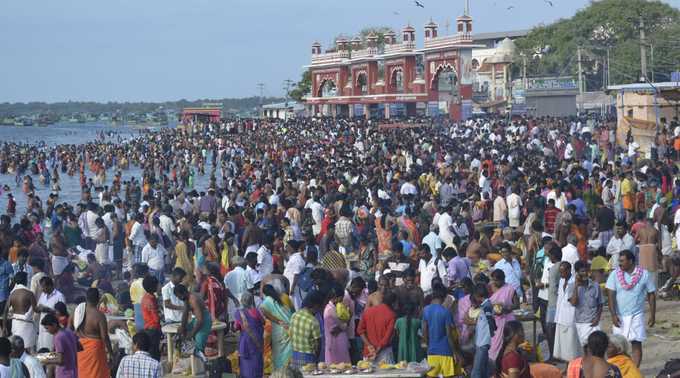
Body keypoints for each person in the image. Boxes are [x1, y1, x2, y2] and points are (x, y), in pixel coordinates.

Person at [606, 250, 656, 367]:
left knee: (636, 343)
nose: (620, 263)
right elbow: (610, 295)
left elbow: (651, 294)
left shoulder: (644, 274)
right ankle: (622, 369)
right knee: (618, 346)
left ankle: (634, 370)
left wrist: (652, 315)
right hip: (619, 316)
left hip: (636, 314)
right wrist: (613, 315)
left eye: (622, 261)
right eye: (619, 261)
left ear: (631, 261)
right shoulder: (614, 274)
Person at [422, 283, 461, 378]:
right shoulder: (446, 312)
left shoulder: (426, 310)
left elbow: (424, 331)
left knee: (431, 376)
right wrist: (455, 352)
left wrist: (428, 345)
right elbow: (449, 334)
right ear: (444, 298)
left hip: (432, 351)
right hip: (446, 351)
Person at [73, 288, 113, 378]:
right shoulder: (99, 315)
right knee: (97, 373)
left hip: (80, 348)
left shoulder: (78, 312)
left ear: (86, 298)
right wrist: (111, 352)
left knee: (83, 373)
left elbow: (72, 329)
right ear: (98, 299)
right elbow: (105, 337)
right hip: (95, 350)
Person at [175, 283, 213, 362]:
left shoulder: (193, 299)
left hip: (204, 321)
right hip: (197, 320)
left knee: (199, 348)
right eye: (178, 298)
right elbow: (185, 313)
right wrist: (182, 327)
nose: (180, 298)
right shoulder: (186, 298)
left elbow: (200, 320)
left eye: (180, 296)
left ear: (184, 292)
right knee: (180, 330)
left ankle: (202, 365)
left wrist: (192, 334)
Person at [570, 261, 604, 350]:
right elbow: (573, 303)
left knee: (597, 348)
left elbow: (600, 304)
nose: (584, 274)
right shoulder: (572, 286)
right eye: (582, 271)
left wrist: (597, 318)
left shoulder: (595, 285)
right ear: (577, 273)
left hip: (594, 323)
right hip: (581, 322)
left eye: (586, 271)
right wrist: (576, 286)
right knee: (584, 348)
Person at [259, 284, 293, 369]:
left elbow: (266, 315)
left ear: (265, 293)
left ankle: (279, 372)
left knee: (278, 354)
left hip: (279, 330)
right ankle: (288, 371)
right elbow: (293, 310)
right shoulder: (284, 296)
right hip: (290, 327)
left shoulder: (266, 302)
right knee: (288, 352)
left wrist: (278, 321)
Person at [554, 261, 582, 361]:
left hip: (571, 316)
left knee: (571, 346)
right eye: (560, 272)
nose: (561, 274)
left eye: (563, 272)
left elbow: (575, 300)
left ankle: (573, 367)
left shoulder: (575, 281)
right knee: (563, 346)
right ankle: (567, 366)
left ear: (569, 270)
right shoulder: (561, 281)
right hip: (560, 316)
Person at [357, 290, 396, 363]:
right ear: (393, 303)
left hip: (368, 352)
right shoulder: (391, 315)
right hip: (384, 353)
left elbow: (360, 331)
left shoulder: (368, 312)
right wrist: (376, 351)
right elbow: (386, 339)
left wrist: (369, 345)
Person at [488, 269, 519, 361]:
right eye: (493, 280)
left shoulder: (510, 289)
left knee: (507, 342)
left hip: (507, 320)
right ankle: (494, 361)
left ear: (503, 279)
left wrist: (506, 309)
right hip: (494, 321)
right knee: (494, 343)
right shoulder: (489, 288)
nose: (495, 282)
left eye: (497, 280)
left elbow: (516, 305)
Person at [289, 290, 323, 370]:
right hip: (309, 358)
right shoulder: (313, 321)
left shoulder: (294, 315)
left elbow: (290, 334)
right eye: (319, 307)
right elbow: (318, 344)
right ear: (315, 306)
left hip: (294, 356)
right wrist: (316, 358)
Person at [2, 272, 36, 351]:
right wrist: (44, 309)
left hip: (16, 324)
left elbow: (5, 311)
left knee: (16, 349)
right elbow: (36, 309)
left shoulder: (12, 294)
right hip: (27, 325)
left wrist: (4, 327)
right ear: (25, 280)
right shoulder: (30, 293)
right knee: (28, 350)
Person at [466, 283, 494, 378]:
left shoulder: (487, 306)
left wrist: (492, 331)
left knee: (477, 371)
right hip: (481, 341)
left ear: (477, 296)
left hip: (483, 342)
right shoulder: (484, 305)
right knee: (484, 368)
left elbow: (490, 320)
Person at [234, 292, 264, 378]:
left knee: (246, 363)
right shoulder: (256, 311)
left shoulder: (239, 313)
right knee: (256, 361)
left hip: (246, 342)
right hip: (257, 341)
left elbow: (236, 327)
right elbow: (263, 322)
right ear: (251, 301)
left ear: (242, 301)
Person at [41, 313, 78, 378]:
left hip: (64, 374)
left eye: (47, 328)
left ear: (54, 325)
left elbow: (60, 360)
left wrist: (44, 359)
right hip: (74, 372)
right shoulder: (69, 331)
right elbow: (78, 347)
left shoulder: (58, 337)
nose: (47, 331)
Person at [36, 276, 65, 351]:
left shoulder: (59, 296)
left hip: (52, 328)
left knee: (50, 351)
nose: (42, 289)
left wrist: (48, 310)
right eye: (41, 287)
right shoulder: (43, 295)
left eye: (43, 287)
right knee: (41, 350)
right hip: (42, 327)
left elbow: (62, 313)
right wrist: (40, 309)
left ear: (50, 285)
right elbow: (38, 307)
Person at [140, 276, 161, 361]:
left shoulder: (147, 297)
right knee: (154, 353)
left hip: (148, 327)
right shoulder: (150, 300)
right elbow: (156, 318)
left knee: (152, 351)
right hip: (153, 328)